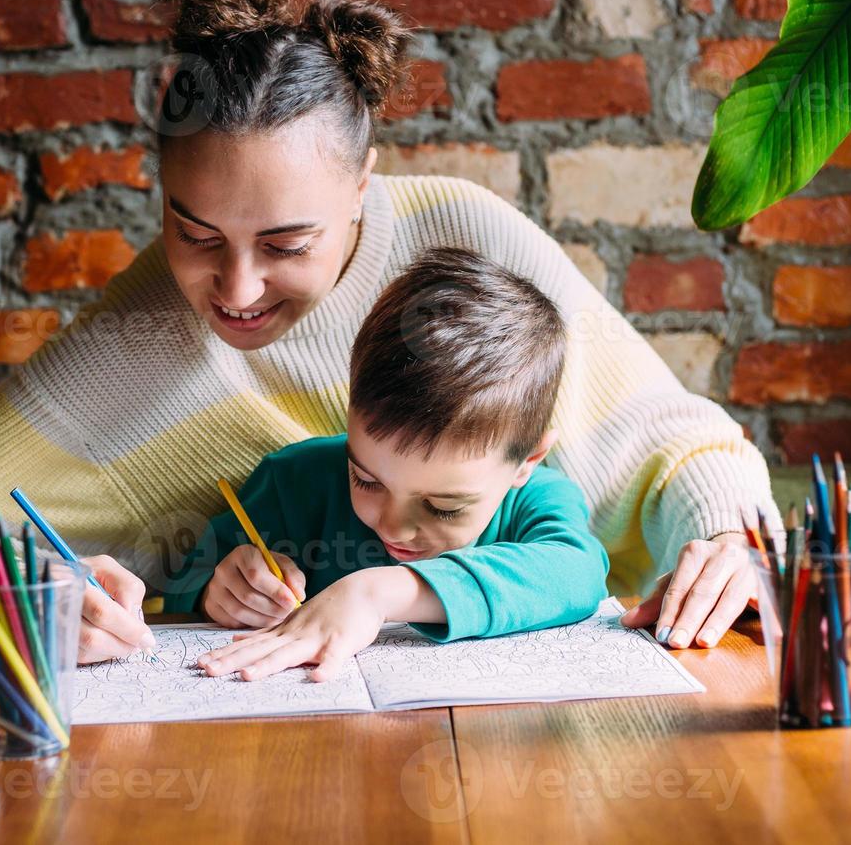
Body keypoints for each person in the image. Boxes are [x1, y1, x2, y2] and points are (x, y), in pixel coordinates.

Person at [0, 0, 778, 662]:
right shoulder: (141, 329)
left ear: (362, 186)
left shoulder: (463, 233)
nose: (237, 290)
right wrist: (27, 598)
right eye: (194, 231)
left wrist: (728, 535)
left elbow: (667, 439)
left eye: (288, 244)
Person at [164, 248, 609, 681]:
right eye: (366, 480)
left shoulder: (539, 500)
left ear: (527, 460)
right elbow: (187, 583)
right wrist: (216, 594)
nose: (395, 528)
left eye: (443, 507)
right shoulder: (293, 482)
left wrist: (377, 593)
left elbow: (577, 573)